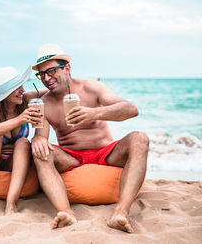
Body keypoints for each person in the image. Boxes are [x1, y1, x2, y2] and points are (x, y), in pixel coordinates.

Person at [30, 44, 149, 233]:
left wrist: (94, 113)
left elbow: (131, 110)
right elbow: (41, 137)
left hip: (106, 153)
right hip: (72, 156)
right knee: (40, 152)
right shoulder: (44, 102)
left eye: (51, 71)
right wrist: (37, 140)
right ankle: (66, 213)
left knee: (140, 139)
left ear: (67, 68)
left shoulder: (91, 87)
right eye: (41, 74)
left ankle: (120, 213)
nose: (46, 78)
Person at [0, 66, 44, 216]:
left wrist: (83, 85)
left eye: (21, 86)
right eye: (17, 88)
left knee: (23, 142)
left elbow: (53, 92)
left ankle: (11, 203)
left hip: (13, 160)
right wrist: (19, 120)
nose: (22, 90)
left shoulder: (26, 100)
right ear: (3, 93)